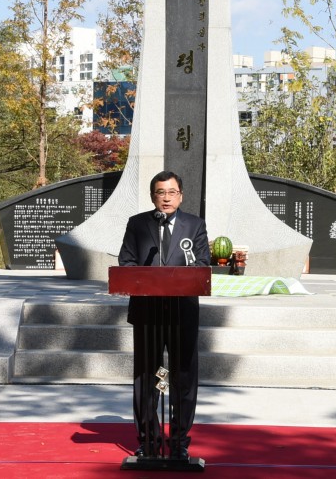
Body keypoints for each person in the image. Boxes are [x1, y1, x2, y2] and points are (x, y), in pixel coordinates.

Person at [118, 170, 211, 460]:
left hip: (182, 313)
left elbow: (203, 262)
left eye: (172, 192)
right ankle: (149, 438)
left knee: (182, 377)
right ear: (152, 196)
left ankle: (180, 440)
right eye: (161, 192)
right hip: (148, 314)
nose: (166, 198)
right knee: (150, 377)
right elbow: (126, 261)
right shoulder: (138, 224)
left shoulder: (194, 225)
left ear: (181, 195)